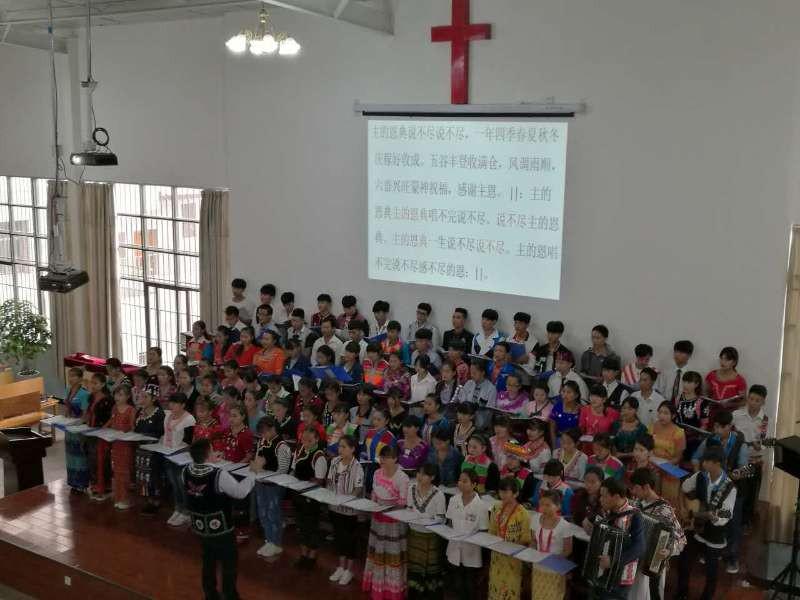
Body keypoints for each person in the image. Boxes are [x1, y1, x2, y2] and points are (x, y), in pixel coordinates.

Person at [182, 438, 255, 600]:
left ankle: (210, 594)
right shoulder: (218, 474)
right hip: (221, 527)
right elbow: (240, 492)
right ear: (208, 454)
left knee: (208, 560)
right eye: (212, 450)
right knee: (229, 562)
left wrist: (213, 461)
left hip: (200, 526)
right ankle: (229, 596)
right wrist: (253, 472)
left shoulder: (185, 470)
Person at [691, 410, 749, 573]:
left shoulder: (740, 444)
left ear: (729, 427)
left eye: (720, 427)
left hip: (732, 490)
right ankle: (709, 552)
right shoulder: (711, 440)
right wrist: (699, 473)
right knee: (710, 518)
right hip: (711, 488)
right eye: (715, 426)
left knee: (731, 523)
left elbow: (745, 469)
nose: (716, 431)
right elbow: (696, 458)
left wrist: (728, 477)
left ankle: (732, 557)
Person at [676, 446, 737, 600]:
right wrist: (685, 507)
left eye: (707, 461)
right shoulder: (700, 476)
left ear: (717, 464)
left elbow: (727, 513)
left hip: (714, 532)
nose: (703, 463)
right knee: (684, 563)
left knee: (711, 571)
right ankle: (681, 592)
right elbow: (684, 487)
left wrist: (715, 517)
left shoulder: (730, 487)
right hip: (695, 526)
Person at [629, 467, 686, 600]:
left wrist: (669, 550)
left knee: (653, 594)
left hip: (653, 562)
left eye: (636, 488)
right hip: (636, 561)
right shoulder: (637, 504)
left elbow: (681, 539)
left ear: (646, 487)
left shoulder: (665, 509)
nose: (633, 491)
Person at [362, 445, 410, 600]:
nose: (382, 461)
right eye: (381, 458)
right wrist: (373, 505)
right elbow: (375, 494)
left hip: (393, 521)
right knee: (377, 553)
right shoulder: (377, 472)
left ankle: (392, 590)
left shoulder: (402, 477)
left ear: (395, 458)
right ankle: (377, 586)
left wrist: (388, 508)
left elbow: (403, 502)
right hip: (378, 518)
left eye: (386, 458)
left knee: (391, 554)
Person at [591, 477, 646, 600]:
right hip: (600, 572)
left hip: (620, 578)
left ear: (616, 497)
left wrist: (614, 561)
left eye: (604, 496)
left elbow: (640, 547)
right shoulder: (606, 511)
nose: (600, 499)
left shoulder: (634, 515)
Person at [326, 434, 365, 586]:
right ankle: (340, 567)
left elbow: (358, 488)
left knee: (350, 540)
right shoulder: (335, 461)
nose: (340, 449)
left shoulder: (357, 467)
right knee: (339, 538)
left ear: (353, 449)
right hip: (334, 507)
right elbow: (330, 480)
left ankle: (349, 570)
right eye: (339, 446)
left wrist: (347, 500)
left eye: (344, 447)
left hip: (349, 511)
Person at [446, 470, 490, 600]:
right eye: (459, 480)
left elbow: (483, 530)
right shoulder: (453, 500)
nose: (460, 483)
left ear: (474, 484)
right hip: (454, 547)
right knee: (457, 584)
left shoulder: (480, 506)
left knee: (469, 584)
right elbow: (449, 522)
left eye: (465, 481)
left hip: (471, 550)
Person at [406, 463, 447, 599]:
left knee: (431, 571)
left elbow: (441, 519)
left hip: (430, 537)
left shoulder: (438, 494)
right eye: (418, 473)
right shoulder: (411, 488)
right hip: (414, 535)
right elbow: (408, 510)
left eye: (424, 474)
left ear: (432, 477)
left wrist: (426, 520)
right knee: (414, 569)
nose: (419, 476)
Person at [253, 416, 292, 558]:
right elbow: (257, 459)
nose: (263, 435)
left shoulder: (282, 446)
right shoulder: (262, 441)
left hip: (274, 486)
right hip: (261, 483)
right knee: (262, 512)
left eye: (265, 432)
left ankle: (276, 543)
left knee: (273, 513)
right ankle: (268, 540)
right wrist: (257, 468)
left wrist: (265, 472)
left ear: (273, 429)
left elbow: (282, 470)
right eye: (261, 433)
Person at [487, 477, 531, 600]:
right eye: (501, 491)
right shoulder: (496, 507)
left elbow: (526, 540)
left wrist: (512, 546)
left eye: (506, 492)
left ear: (516, 493)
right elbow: (492, 531)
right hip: (496, 556)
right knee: (494, 587)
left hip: (512, 559)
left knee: (510, 590)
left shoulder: (523, 514)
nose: (502, 495)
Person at [291, 427, 328, 568]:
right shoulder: (299, 450)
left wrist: (303, 484)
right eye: (303, 439)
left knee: (311, 526)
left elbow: (319, 480)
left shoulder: (319, 457)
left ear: (317, 440)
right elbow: (294, 470)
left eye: (309, 440)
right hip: (298, 493)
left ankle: (312, 557)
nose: (305, 442)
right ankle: (303, 554)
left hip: (311, 497)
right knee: (300, 525)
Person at [732, 384, 769, 527]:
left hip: (754, 461)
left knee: (750, 493)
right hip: (737, 460)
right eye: (751, 399)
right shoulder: (736, 415)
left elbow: (766, 441)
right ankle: (731, 519)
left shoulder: (765, 420)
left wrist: (761, 445)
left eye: (757, 400)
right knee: (735, 491)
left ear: (763, 402)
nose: (753, 402)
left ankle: (745, 521)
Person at [530, 489, 573, 600]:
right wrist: (532, 552)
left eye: (548, 505)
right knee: (537, 595)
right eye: (541, 505)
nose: (543, 508)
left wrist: (553, 560)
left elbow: (568, 550)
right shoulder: (535, 519)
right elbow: (534, 541)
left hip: (555, 569)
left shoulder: (565, 526)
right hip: (538, 567)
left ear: (558, 506)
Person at [163, 393, 197, 527]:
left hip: (182, 458)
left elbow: (189, 441)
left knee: (182, 484)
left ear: (183, 405)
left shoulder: (189, 419)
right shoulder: (168, 415)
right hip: (168, 454)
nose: (171, 406)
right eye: (170, 403)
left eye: (175, 403)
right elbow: (166, 434)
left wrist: (178, 451)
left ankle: (187, 512)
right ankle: (178, 508)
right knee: (174, 484)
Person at [134, 385, 166, 515]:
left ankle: (156, 500)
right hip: (141, 450)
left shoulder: (159, 414)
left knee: (154, 475)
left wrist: (146, 436)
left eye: (145, 397)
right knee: (143, 475)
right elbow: (136, 429)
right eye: (141, 396)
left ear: (153, 399)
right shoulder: (140, 413)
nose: (142, 399)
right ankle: (147, 499)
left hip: (153, 451)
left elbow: (161, 432)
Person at [106, 384, 136, 510]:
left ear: (128, 396)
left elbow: (133, 427)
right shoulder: (114, 408)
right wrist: (102, 430)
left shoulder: (131, 410)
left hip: (125, 444)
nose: (117, 397)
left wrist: (125, 434)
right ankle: (118, 496)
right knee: (117, 471)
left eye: (121, 394)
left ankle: (125, 498)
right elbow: (111, 422)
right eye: (116, 394)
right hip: (115, 443)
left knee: (124, 471)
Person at [84, 373, 113, 499]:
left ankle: (106, 486)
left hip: (102, 432)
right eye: (92, 382)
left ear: (103, 384)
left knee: (102, 459)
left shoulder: (108, 399)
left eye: (96, 383)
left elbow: (112, 416)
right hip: (91, 430)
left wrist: (104, 428)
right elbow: (89, 412)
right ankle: (95, 484)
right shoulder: (91, 397)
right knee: (92, 459)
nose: (93, 385)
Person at [64, 367, 91, 492]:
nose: (71, 378)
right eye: (70, 376)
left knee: (80, 456)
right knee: (70, 456)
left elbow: (86, 414)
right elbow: (67, 408)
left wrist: (78, 423)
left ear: (80, 378)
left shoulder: (84, 393)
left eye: (74, 376)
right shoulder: (68, 390)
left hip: (79, 428)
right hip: (69, 428)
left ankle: (82, 484)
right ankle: (73, 482)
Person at [675, 371, 710, 460]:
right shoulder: (678, 398)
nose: (685, 385)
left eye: (689, 382)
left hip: (693, 440)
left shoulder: (702, 402)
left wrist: (697, 436)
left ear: (697, 384)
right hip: (677, 437)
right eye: (684, 381)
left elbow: (704, 425)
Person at [457, 360, 498, 431]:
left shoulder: (491, 388)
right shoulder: (469, 383)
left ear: (483, 373)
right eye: (471, 372)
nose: (472, 375)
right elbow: (462, 402)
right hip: (465, 418)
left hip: (481, 420)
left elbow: (489, 411)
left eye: (474, 373)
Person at [705, 346, 748, 412]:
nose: (723, 362)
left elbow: (743, 402)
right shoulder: (711, 375)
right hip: (711, 413)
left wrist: (729, 404)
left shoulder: (739, 381)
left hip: (730, 417)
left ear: (734, 362)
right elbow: (706, 394)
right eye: (721, 358)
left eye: (727, 359)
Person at [570, 465, 604, 530]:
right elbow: (575, 518)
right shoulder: (578, 496)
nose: (588, 485)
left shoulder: (605, 500)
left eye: (593, 482)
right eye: (586, 481)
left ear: (601, 482)